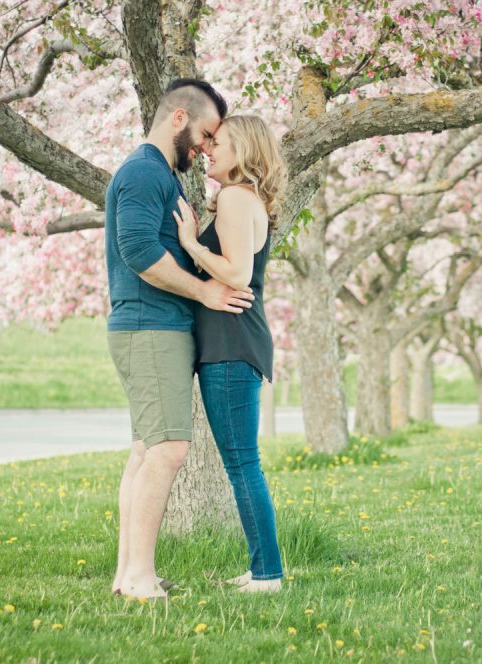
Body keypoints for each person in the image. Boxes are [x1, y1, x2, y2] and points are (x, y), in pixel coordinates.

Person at [105, 79, 256, 600]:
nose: (206, 147)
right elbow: (139, 252)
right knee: (168, 448)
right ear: (178, 118)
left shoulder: (159, 175)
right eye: (205, 133)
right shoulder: (145, 172)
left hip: (150, 326)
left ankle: (129, 574)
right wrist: (205, 292)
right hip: (150, 325)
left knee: (147, 449)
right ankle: (140, 578)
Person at [173, 114, 287, 592]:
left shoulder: (238, 198)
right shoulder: (239, 200)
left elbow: (237, 274)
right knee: (242, 462)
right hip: (232, 343)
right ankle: (263, 568)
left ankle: (268, 574)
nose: (208, 151)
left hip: (231, 344)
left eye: (218, 143)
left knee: (243, 462)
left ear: (244, 149)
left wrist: (188, 244)